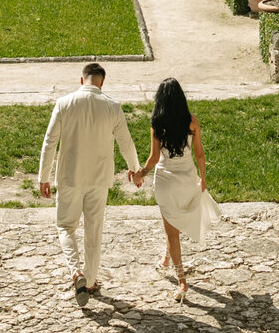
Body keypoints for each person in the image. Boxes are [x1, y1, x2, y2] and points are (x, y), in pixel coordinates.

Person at [39, 61, 142, 306]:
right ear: (102, 82)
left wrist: (43, 176)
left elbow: (49, 142)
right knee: (93, 230)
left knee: (65, 226)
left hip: (69, 176)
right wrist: (135, 169)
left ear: (81, 79)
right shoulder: (112, 106)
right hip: (99, 178)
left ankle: (76, 271)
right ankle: (92, 279)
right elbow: (125, 142)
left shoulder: (64, 104)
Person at [135, 77, 219, 303]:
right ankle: (166, 259)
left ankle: (181, 279)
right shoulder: (191, 121)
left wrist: (140, 174)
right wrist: (203, 178)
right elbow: (199, 153)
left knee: (171, 231)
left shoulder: (157, 123)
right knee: (174, 226)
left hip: (165, 181)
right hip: (187, 178)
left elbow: (153, 158)